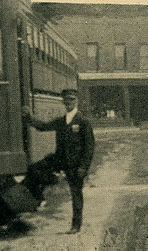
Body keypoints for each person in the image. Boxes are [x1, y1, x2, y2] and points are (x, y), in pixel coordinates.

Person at [22, 88, 95, 234]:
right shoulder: (62, 121)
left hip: (76, 166)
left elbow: (89, 147)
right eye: (66, 100)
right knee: (34, 169)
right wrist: (29, 117)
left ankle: (76, 225)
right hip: (60, 161)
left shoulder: (83, 122)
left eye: (72, 100)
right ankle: (39, 197)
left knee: (76, 194)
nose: (69, 103)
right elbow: (43, 126)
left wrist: (84, 167)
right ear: (63, 102)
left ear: (77, 101)